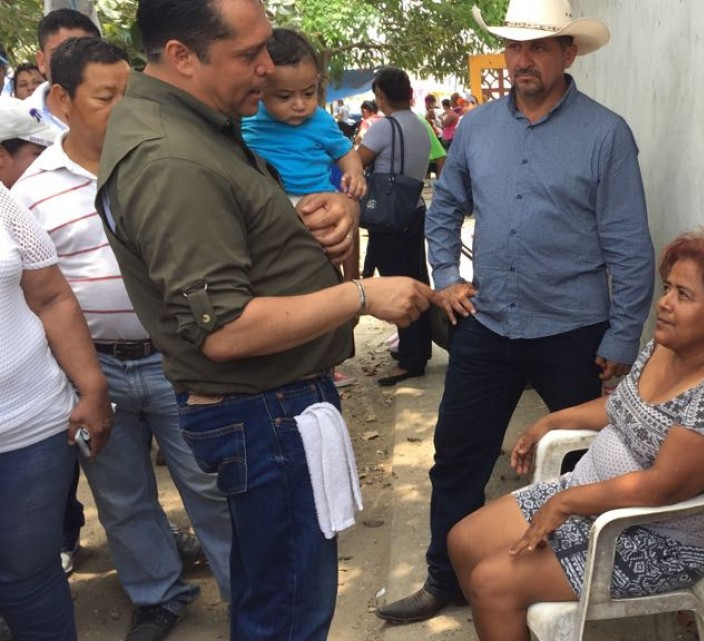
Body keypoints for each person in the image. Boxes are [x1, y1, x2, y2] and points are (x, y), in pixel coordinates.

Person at [96, 0, 435, 639]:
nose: (265, 66)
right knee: (289, 610)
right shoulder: (172, 158)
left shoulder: (203, 127)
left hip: (272, 409)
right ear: (182, 56)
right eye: (249, 54)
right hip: (262, 413)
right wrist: (363, 295)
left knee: (276, 593)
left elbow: (238, 230)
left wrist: (320, 211)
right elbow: (225, 329)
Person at [375, 0, 655, 622]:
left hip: (574, 332)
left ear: (568, 53)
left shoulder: (605, 133)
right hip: (488, 324)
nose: (522, 60)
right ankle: (445, 578)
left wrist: (623, 334)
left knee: (588, 462)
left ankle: (571, 581)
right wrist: (445, 278)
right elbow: (444, 208)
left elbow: (630, 246)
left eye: (539, 48)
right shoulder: (475, 128)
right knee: (457, 455)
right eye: (514, 47)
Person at [12, 37, 233, 641]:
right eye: (106, 97)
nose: (124, 107)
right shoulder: (31, 193)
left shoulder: (163, 162)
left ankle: (249, 596)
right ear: (61, 99)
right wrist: (79, 381)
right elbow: (41, 295)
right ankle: (157, 594)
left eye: (130, 94)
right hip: (94, 372)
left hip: (177, 360)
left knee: (210, 486)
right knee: (123, 496)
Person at [448, 234, 704, 641]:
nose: (664, 303)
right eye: (668, 288)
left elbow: (662, 486)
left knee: (493, 583)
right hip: (589, 499)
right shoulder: (665, 348)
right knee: (463, 541)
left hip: (654, 539)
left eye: (683, 295)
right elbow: (621, 408)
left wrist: (565, 502)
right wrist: (551, 422)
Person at [0, 159, 112, 640]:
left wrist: (92, 387)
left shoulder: (3, 202)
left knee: (28, 574)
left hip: (29, 430)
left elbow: (50, 297)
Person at [357, 66, 433, 386]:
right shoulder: (420, 125)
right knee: (416, 279)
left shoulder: (384, 127)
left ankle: (412, 360)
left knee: (396, 286)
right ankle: (417, 349)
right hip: (413, 211)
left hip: (389, 216)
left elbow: (355, 161)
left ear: (382, 96)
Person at [242, 28, 365, 203]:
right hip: (267, 203)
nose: (300, 105)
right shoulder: (248, 117)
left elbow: (345, 152)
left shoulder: (321, 121)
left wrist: (354, 173)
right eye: (285, 96)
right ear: (261, 89)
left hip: (318, 200)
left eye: (308, 93)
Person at [23, 9, 101, 132]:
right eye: (59, 54)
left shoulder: (121, 114)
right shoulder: (16, 122)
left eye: (83, 54)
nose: (71, 63)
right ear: (41, 61)